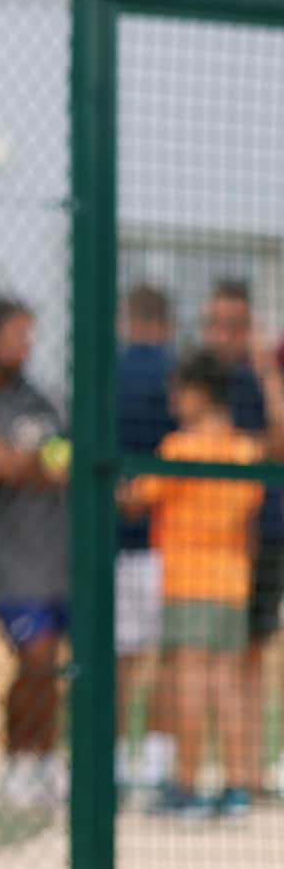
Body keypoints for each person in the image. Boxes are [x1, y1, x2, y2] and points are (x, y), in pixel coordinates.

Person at [120, 351, 268, 817]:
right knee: (226, 681)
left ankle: (185, 786)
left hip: (188, 580)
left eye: (178, 392)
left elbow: (136, 500)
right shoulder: (244, 450)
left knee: (188, 680)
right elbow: (250, 517)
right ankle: (236, 785)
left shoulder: (179, 448)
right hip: (233, 579)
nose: (172, 401)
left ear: (198, 393)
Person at [0, 297, 70, 809]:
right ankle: (15, 764)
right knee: (34, 657)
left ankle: (44, 765)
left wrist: (20, 462)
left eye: (30, 336)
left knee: (50, 665)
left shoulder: (42, 399)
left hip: (55, 558)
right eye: (17, 335)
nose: (26, 346)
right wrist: (28, 464)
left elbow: (61, 460)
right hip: (6, 561)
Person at [196, 281, 284, 794]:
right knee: (201, 654)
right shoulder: (197, 379)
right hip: (205, 542)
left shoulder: (258, 379)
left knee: (251, 650)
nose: (222, 336)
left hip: (262, 537)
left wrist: (268, 374)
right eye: (215, 324)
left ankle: (246, 769)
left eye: (233, 326)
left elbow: (277, 442)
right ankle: (201, 768)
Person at [114, 284, 178, 795]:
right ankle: (157, 765)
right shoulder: (175, 374)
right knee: (167, 655)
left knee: (120, 657)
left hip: (112, 537)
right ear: (166, 323)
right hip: (167, 540)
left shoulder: (107, 370)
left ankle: (112, 764)